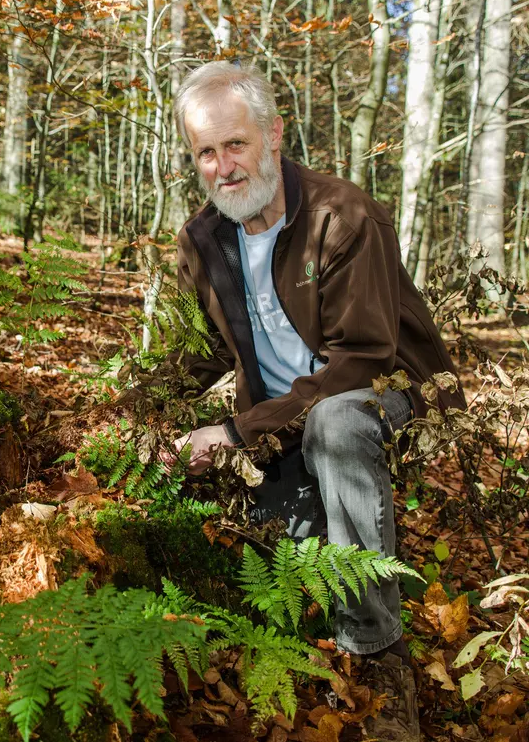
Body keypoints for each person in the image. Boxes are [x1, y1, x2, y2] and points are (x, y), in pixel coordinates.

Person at [165, 61, 466, 742]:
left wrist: (238, 432)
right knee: (289, 568)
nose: (223, 167)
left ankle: (379, 657)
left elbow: (362, 359)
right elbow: (195, 356)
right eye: (206, 152)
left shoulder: (342, 216)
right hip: (278, 417)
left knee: (334, 423)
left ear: (273, 135)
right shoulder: (203, 240)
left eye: (235, 144)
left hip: (384, 398)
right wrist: (140, 420)